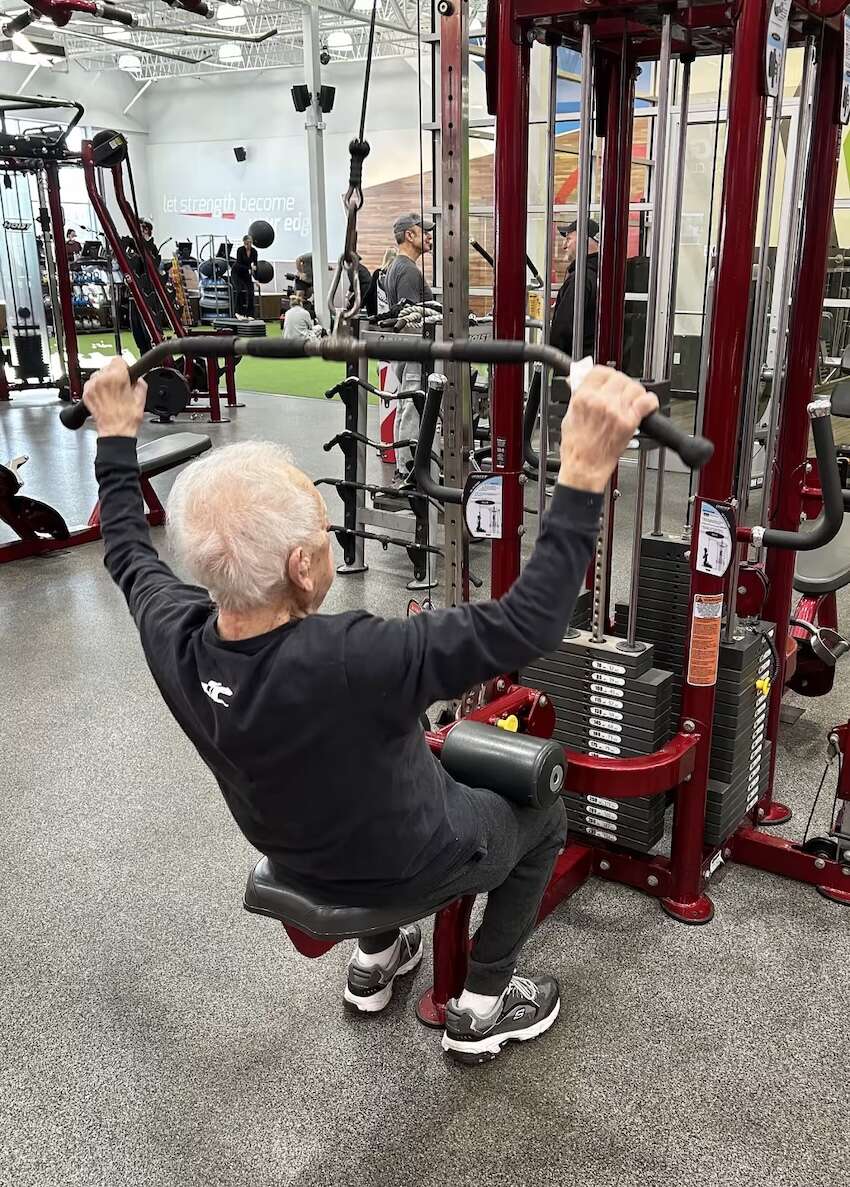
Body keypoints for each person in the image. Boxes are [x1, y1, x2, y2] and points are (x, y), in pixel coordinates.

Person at [81, 354, 657, 1065]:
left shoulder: (174, 635)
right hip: (411, 864)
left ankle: (376, 956)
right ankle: (484, 1000)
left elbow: (126, 547)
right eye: (324, 532)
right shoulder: (355, 655)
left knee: (393, 751)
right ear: (301, 565)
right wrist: (585, 467)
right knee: (544, 818)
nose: (329, 542)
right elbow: (531, 623)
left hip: (295, 854)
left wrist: (115, 433)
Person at [384, 213, 435, 484]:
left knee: (408, 405)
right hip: (413, 350)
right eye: (423, 231)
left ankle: (407, 466)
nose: (429, 236)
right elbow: (410, 318)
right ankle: (409, 470)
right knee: (412, 408)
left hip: (408, 351)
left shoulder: (400, 267)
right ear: (409, 235)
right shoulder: (407, 270)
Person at [549, 218, 600, 360]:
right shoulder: (602, 275)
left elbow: (563, 329)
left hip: (575, 364)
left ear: (584, 240)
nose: (564, 246)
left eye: (569, 239)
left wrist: (548, 356)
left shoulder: (580, 279)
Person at [127, 219, 162, 356]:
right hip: (134, 294)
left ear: (146, 230)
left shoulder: (150, 248)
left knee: (148, 332)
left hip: (147, 294)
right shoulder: (133, 247)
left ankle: (153, 363)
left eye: (139, 228)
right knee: (138, 332)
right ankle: (144, 362)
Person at [365, 246, 397, 318]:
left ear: (385, 257)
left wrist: (360, 306)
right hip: (391, 312)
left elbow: (370, 291)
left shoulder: (378, 273)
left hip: (376, 309)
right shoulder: (397, 274)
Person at [233, 234, 258, 319]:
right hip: (237, 273)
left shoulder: (254, 251)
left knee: (251, 291)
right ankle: (238, 312)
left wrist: (256, 278)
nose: (247, 245)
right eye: (246, 243)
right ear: (244, 243)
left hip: (246, 273)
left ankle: (250, 314)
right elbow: (239, 263)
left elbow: (255, 265)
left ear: (251, 243)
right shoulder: (240, 250)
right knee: (239, 290)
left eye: (249, 243)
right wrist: (249, 268)